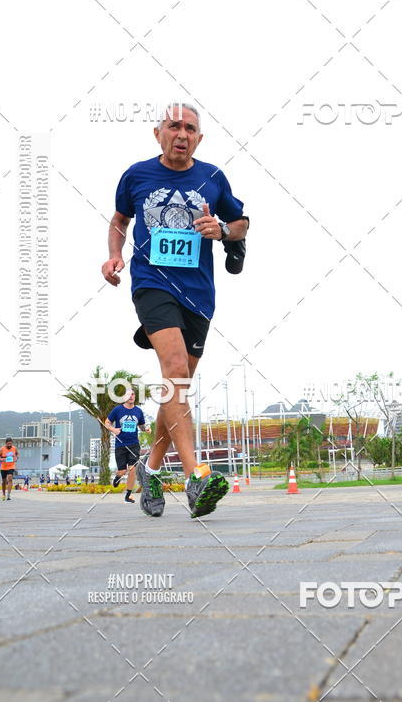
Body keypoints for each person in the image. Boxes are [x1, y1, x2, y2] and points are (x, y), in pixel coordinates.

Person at [102, 103, 249, 519]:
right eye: (174, 126)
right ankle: (195, 475)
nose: (182, 133)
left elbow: (242, 223)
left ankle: (149, 471)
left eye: (190, 128)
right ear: (158, 133)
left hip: (199, 295)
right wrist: (114, 256)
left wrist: (220, 229)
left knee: (176, 388)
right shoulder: (136, 175)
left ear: (199, 139)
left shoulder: (214, 178)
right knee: (174, 368)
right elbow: (119, 220)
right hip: (152, 286)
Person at [105, 389, 145, 503]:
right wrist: (113, 429)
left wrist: (146, 429)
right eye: (128, 394)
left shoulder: (138, 411)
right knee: (122, 471)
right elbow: (107, 422)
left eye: (133, 394)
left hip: (134, 444)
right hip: (120, 445)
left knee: (132, 469)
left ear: (135, 397)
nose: (131, 396)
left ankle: (128, 495)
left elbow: (141, 426)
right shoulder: (118, 410)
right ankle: (118, 477)